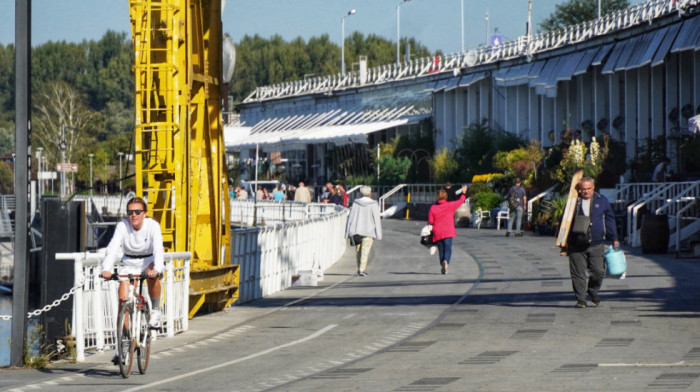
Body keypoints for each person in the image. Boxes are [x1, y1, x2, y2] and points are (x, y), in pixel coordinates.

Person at [101, 197, 164, 364]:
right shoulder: (123, 226)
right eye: (130, 212)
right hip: (129, 263)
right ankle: (123, 345)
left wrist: (157, 269)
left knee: (152, 276)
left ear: (144, 213)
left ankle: (156, 310)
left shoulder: (153, 226)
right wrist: (106, 269)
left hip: (148, 261)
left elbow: (158, 249)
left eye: (137, 212)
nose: (133, 215)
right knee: (123, 303)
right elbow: (113, 247)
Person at [566, 177, 619, 309]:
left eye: (588, 189)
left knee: (598, 271)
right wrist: (562, 240)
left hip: (596, 242)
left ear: (593, 188)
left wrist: (614, 238)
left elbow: (610, 219)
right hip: (576, 243)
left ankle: (593, 290)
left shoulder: (602, 200)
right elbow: (564, 221)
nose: (585, 192)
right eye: (583, 189)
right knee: (578, 272)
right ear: (579, 189)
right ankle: (581, 299)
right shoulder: (573, 201)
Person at [428, 184, 468, 274]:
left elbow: (430, 221)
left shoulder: (433, 207)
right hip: (448, 231)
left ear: (438, 197)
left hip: (437, 232)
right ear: (446, 197)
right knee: (448, 249)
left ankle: (442, 262)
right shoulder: (450, 205)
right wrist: (464, 192)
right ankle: (446, 262)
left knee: (441, 249)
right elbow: (460, 201)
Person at [345, 186, 382, 276]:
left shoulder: (355, 203)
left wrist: (347, 232)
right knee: (365, 251)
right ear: (370, 193)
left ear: (360, 193)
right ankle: (362, 269)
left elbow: (350, 218)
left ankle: (360, 268)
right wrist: (379, 234)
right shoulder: (374, 204)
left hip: (356, 230)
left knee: (358, 251)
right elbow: (377, 220)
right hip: (369, 232)